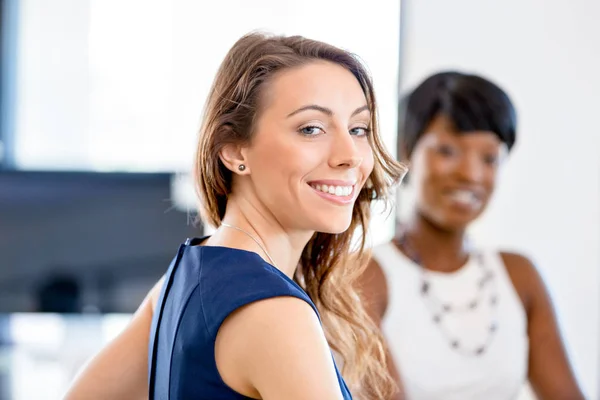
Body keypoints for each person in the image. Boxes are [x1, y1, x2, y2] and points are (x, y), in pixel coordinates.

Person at [64, 32, 407, 400]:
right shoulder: (275, 312)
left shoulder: (186, 275)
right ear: (233, 151)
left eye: (359, 129)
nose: (350, 155)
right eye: (311, 129)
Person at [359, 71, 585, 400]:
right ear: (406, 151)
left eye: (489, 157)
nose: (470, 173)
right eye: (448, 151)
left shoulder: (518, 276)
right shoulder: (365, 275)